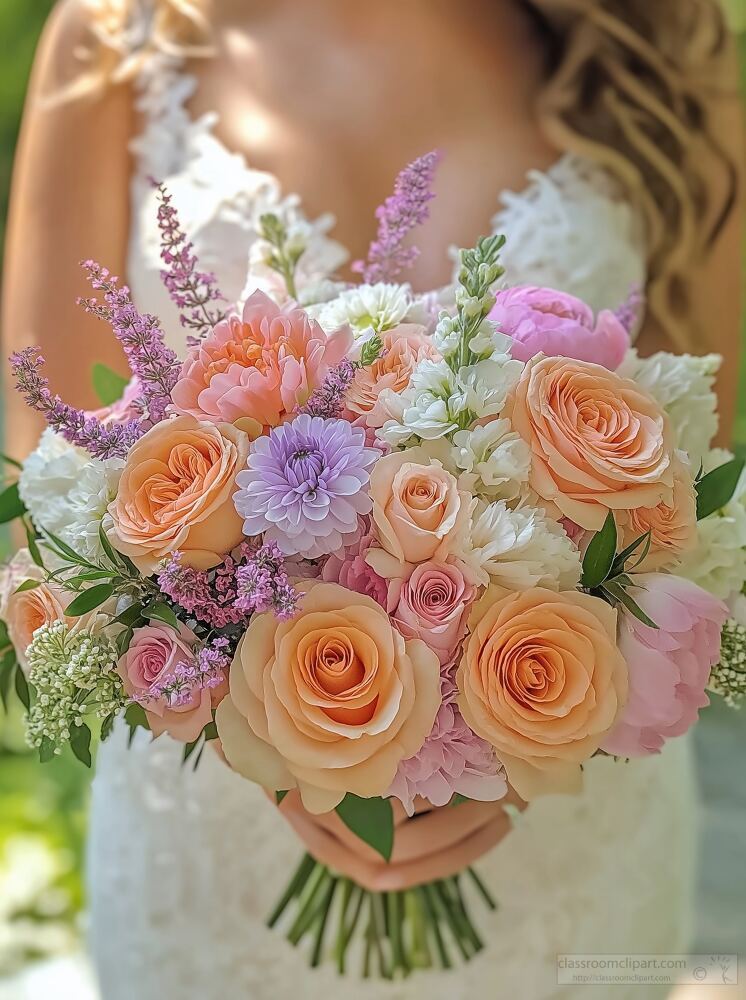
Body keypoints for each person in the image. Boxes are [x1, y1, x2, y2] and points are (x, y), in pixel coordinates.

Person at [2, 1, 743, 997]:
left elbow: (684, 476)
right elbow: (51, 467)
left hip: (566, 824)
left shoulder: (671, 55)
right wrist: (267, 735)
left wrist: (515, 736)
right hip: (215, 852)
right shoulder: (115, 38)